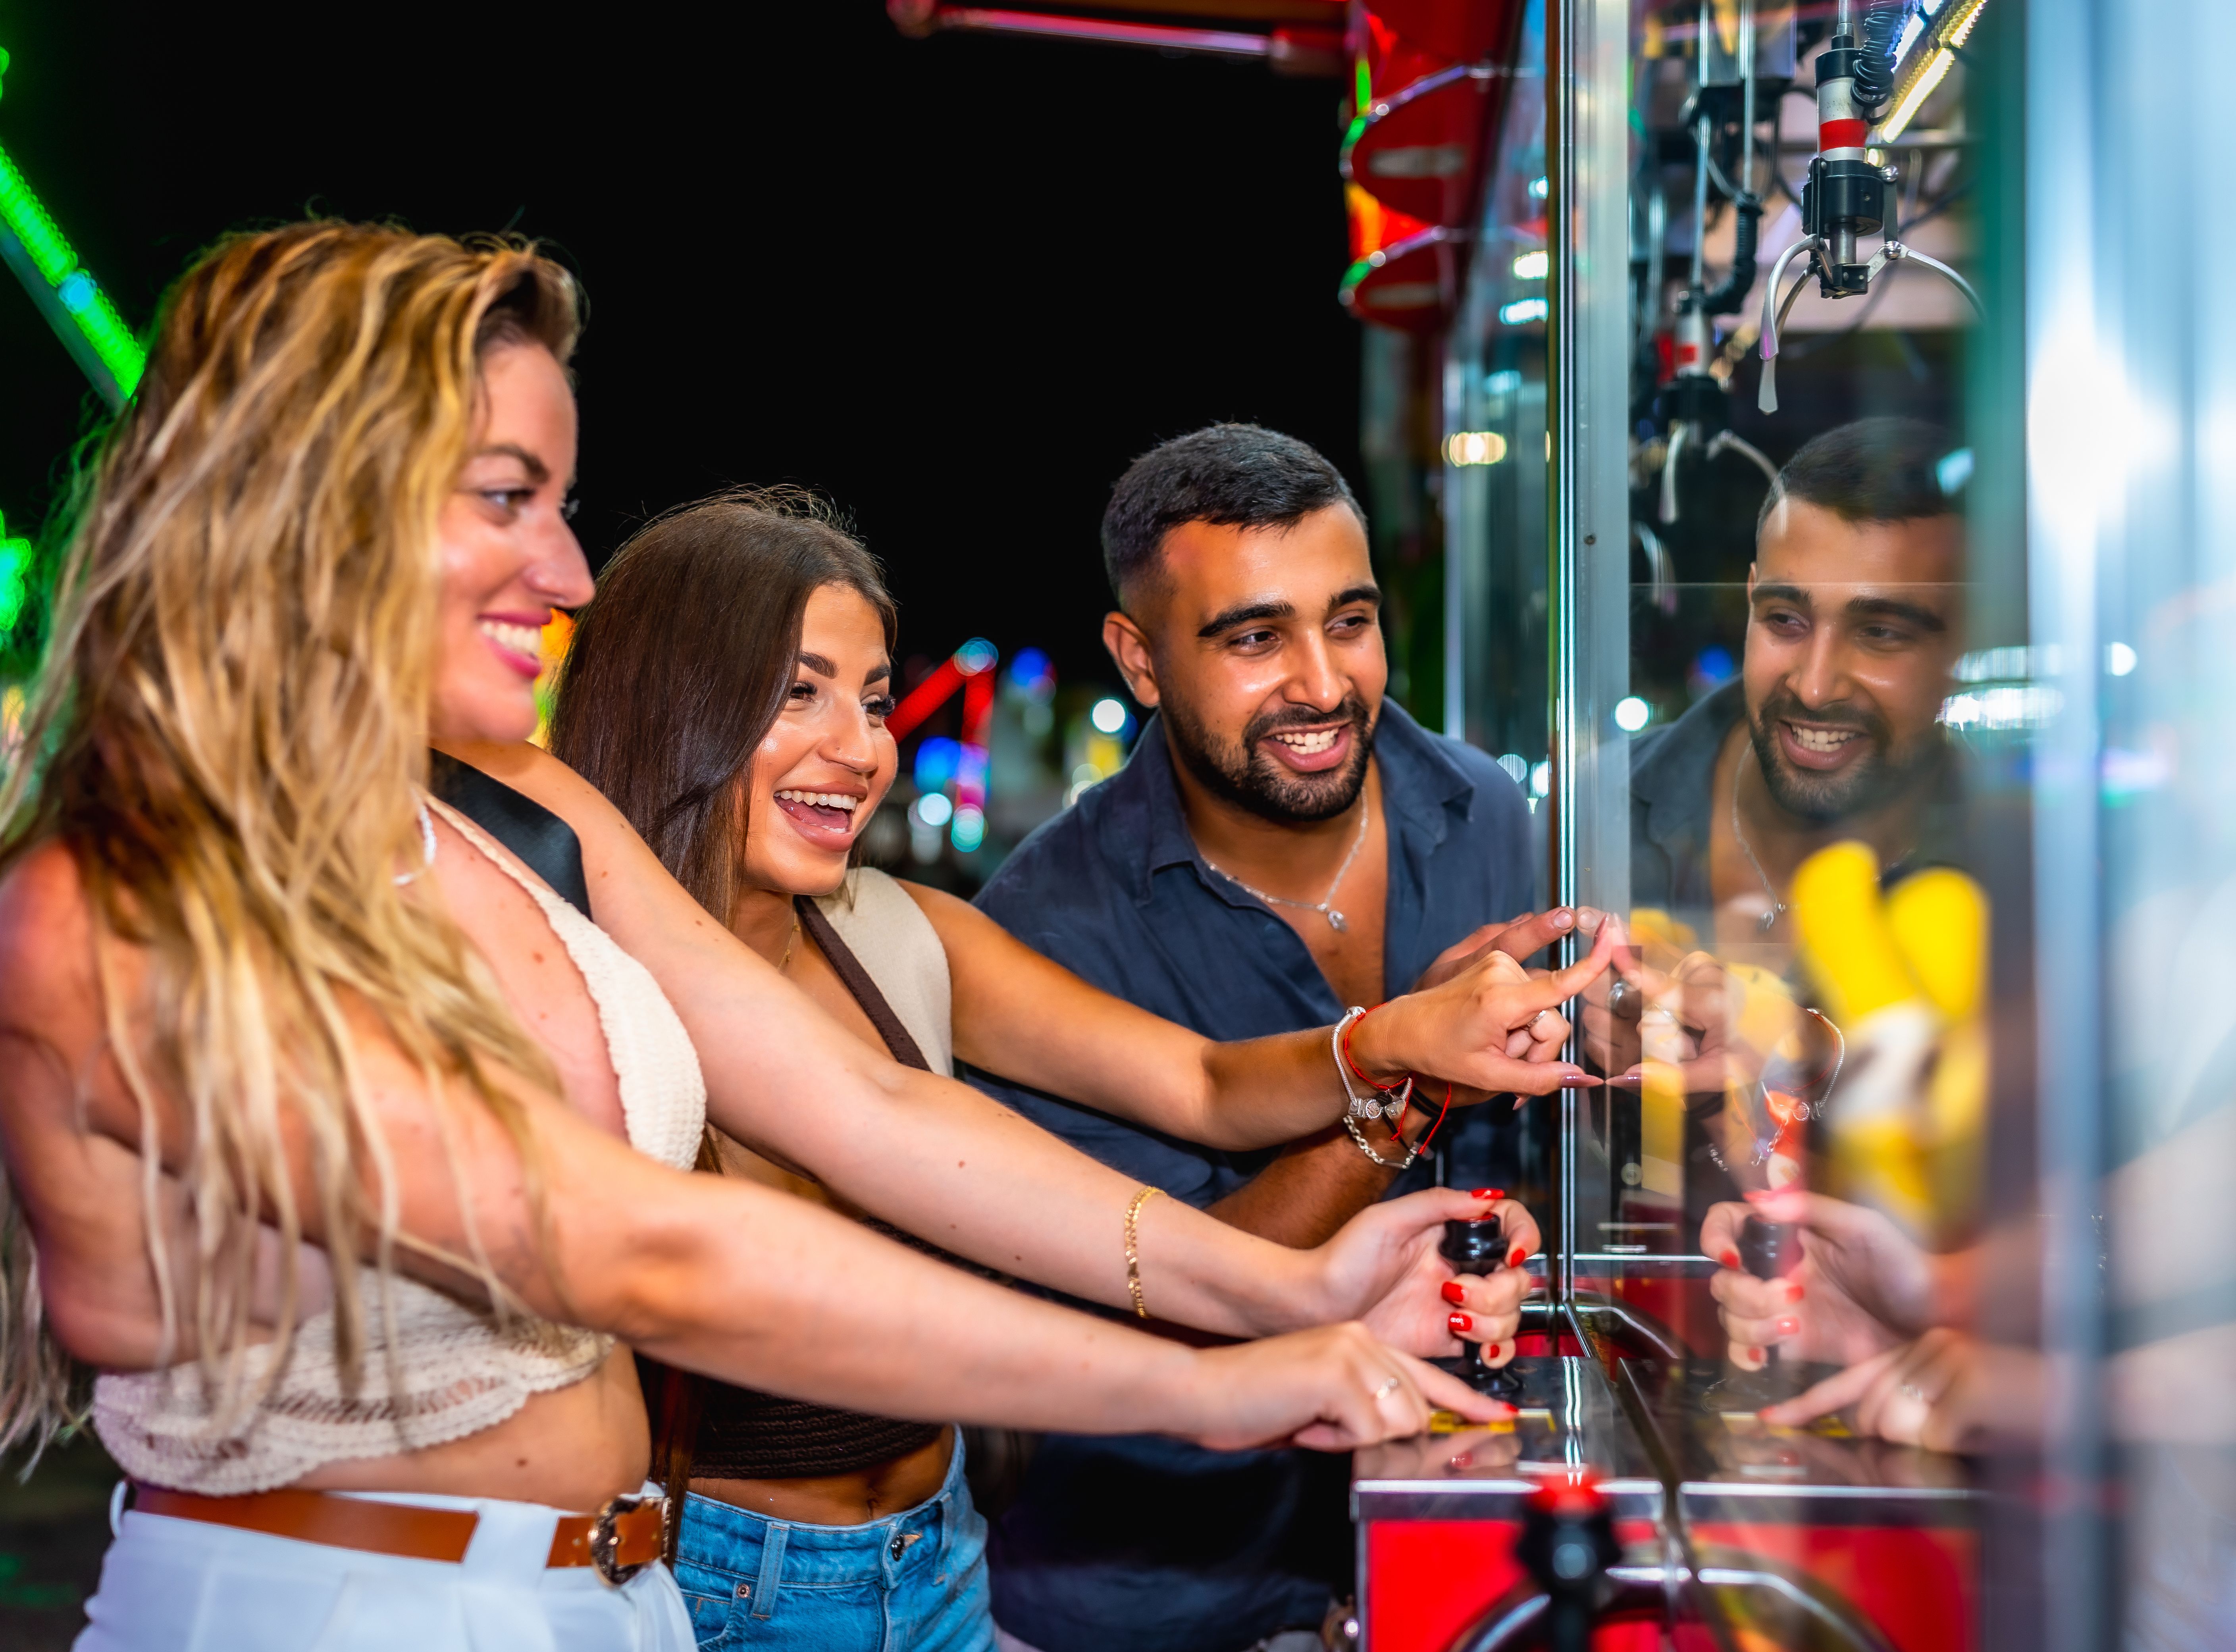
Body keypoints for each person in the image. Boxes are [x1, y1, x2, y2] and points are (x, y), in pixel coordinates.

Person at [0, 223, 1554, 1652]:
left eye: (560, 506)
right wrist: (1216, 1383)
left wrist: (1297, 1289)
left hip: (608, 1597)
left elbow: (873, 1109)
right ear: (310, 496)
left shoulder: (516, 806)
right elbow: (651, 1251)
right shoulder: (122, 902)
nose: (568, 574)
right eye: (507, 498)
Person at [541, 486, 1608, 1650]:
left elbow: (1200, 1081)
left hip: (942, 1560)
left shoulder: (905, 933)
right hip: (716, 1579)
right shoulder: (571, 982)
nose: (859, 750)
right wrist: (1265, 1334)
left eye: (875, 700)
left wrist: (1392, 1048)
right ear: (672, 701)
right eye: (799, 692)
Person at [964, 424, 1562, 1652]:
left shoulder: (1485, 810)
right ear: (1138, 660)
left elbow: (1537, 1172)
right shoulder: (1042, 925)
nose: (1322, 683)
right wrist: (1408, 1079)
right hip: (1167, 1589)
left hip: (1460, 1546)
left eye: (1349, 621)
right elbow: (1152, 1301)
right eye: (1254, 638)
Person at [1628, 416, 1968, 957]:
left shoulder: (2032, 873)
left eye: (1880, 633)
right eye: (1785, 620)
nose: (1814, 688)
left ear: (1966, 646)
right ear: (1750, 600)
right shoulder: (1588, 815)